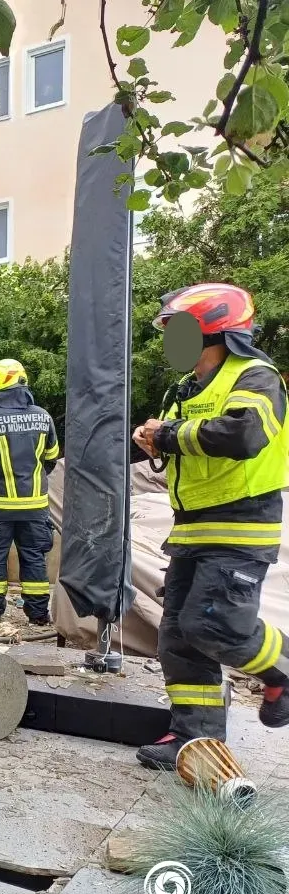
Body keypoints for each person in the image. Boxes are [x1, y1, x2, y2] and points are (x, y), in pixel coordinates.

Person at [132, 283, 289, 771]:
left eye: (177, 331)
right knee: (178, 635)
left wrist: (169, 435)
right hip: (193, 527)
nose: (169, 341)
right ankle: (194, 741)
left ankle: (285, 666)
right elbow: (189, 446)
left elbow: (243, 434)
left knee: (212, 625)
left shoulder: (256, 377)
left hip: (241, 525)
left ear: (215, 332)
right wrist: (155, 442)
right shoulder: (188, 389)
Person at [0, 359, 60, 625]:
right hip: (34, 506)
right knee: (34, 558)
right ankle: (39, 615)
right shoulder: (43, 417)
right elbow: (51, 458)